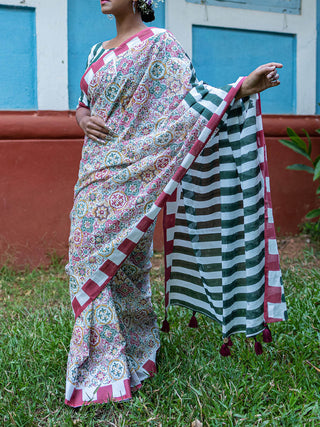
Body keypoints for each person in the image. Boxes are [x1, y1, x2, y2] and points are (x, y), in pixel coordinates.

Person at [65, 0, 287, 407]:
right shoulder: (98, 51)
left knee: (128, 269)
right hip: (95, 172)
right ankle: (99, 362)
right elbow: (83, 105)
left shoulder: (159, 44)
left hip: (140, 174)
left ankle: (129, 356)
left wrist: (242, 88)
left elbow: (189, 101)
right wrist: (81, 119)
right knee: (84, 261)